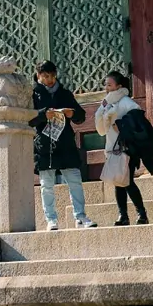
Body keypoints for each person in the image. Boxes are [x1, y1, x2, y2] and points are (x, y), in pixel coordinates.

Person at [33, 61, 94, 230]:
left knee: (75, 179)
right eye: (46, 76)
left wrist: (72, 113)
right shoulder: (33, 94)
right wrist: (43, 114)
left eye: (53, 76)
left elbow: (81, 116)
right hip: (44, 144)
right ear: (39, 76)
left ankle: (80, 216)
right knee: (46, 185)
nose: (50, 80)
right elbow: (27, 118)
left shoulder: (65, 93)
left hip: (66, 142)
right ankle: (51, 219)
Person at [95, 71, 153, 226]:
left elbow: (138, 123)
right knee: (119, 182)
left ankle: (140, 213)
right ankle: (124, 215)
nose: (107, 87)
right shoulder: (106, 103)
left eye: (110, 84)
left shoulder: (126, 102)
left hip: (127, 149)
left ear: (119, 86)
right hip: (113, 148)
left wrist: (122, 126)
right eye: (106, 84)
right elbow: (102, 129)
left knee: (127, 181)